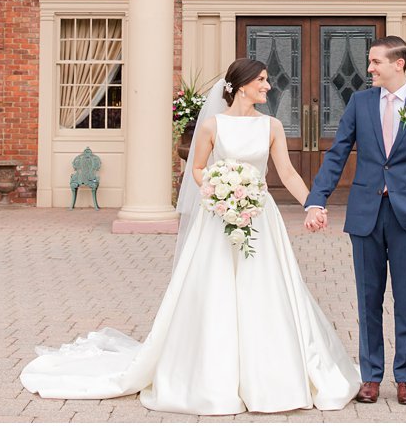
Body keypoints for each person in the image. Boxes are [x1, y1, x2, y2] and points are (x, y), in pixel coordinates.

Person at [20, 57, 359, 415]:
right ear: (242, 85)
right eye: (261, 80)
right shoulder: (213, 126)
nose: (267, 86)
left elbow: (288, 174)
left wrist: (312, 205)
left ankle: (272, 375)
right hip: (218, 217)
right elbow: (197, 169)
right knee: (215, 291)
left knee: (266, 288)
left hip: (260, 218)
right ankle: (211, 376)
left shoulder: (272, 126)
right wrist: (219, 191)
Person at [303, 35, 406, 406]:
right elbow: (337, 153)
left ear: (398, 64)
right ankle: (370, 376)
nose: (369, 68)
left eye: (376, 62)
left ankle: (405, 378)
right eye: (370, 62)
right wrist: (316, 199)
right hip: (365, 214)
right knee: (368, 298)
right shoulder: (360, 102)